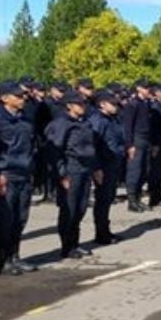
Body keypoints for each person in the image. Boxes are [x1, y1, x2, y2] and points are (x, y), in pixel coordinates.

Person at [46, 91, 101, 259]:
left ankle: (75, 243)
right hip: (71, 169)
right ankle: (67, 246)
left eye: (83, 104)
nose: (82, 107)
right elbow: (54, 152)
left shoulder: (85, 123)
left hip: (85, 169)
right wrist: (62, 174)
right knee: (69, 209)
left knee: (81, 208)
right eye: (79, 104)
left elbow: (91, 148)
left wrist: (96, 168)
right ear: (69, 105)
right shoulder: (61, 124)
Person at [0, 82, 38, 276]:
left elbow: (32, 145)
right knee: (5, 220)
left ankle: (15, 256)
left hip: (24, 173)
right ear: (5, 98)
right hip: (6, 174)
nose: (22, 99)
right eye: (18, 96)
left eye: (23, 96)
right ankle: (2, 260)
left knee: (20, 218)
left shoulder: (25, 120)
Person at [89, 90, 125, 245]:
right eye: (113, 104)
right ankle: (101, 233)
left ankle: (105, 230)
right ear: (102, 104)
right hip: (103, 165)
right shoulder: (98, 121)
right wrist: (97, 168)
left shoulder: (113, 119)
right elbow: (93, 146)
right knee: (103, 200)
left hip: (113, 163)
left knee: (108, 198)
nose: (116, 106)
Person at [123, 80, 152, 213]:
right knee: (134, 171)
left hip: (145, 139)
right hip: (136, 139)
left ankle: (138, 198)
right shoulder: (132, 104)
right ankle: (132, 200)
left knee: (143, 171)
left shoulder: (146, 103)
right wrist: (130, 145)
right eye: (146, 88)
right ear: (139, 89)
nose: (148, 90)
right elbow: (128, 126)